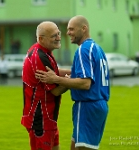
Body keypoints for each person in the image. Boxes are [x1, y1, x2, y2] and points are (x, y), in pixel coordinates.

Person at [35, 15, 110, 150]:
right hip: (97, 106)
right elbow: (79, 73)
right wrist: (56, 72)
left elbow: (85, 83)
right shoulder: (96, 48)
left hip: (88, 106)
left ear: (84, 28)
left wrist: (55, 79)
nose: (68, 32)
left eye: (71, 29)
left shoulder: (83, 50)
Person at [21, 21, 71, 150]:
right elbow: (55, 91)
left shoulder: (41, 50)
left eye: (58, 34)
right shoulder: (40, 56)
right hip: (41, 118)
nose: (59, 38)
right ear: (41, 39)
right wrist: (71, 82)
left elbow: (54, 72)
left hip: (47, 117)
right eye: (54, 36)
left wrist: (75, 72)